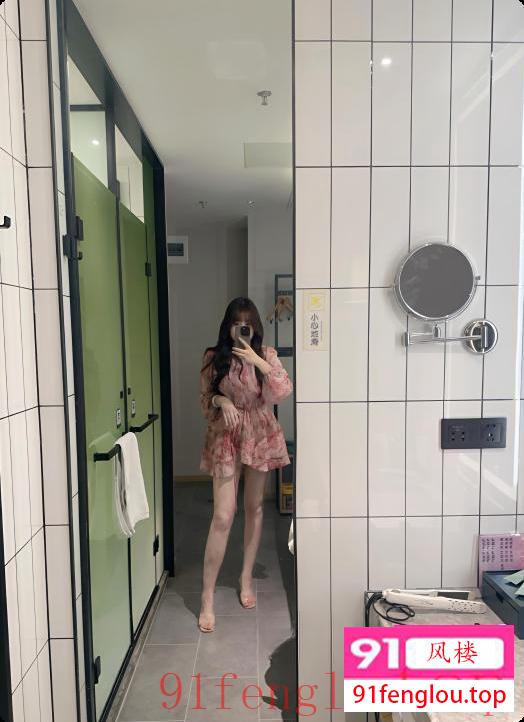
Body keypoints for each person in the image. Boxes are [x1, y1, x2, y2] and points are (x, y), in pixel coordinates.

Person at [198, 297, 293, 632]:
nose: (242, 329)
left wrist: (258, 361)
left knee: (254, 508)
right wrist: (221, 399)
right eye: (237, 324)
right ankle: (207, 596)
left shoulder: (266, 355)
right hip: (226, 435)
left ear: (255, 328)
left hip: (260, 433)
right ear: (228, 326)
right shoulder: (214, 357)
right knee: (224, 515)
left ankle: (246, 577)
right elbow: (204, 400)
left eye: (248, 324)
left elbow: (282, 391)